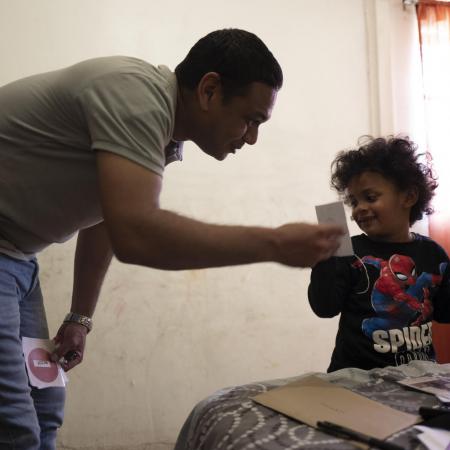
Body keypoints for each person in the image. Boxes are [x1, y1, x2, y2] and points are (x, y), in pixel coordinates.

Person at [0, 28, 343, 449]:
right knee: (15, 428)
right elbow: (136, 232)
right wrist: (274, 243)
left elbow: (108, 218)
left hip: (19, 256)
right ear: (209, 89)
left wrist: (79, 317)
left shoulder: (163, 133)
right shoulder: (134, 95)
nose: (251, 137)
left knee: (45, 411)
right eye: (251, 119)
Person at [308, 136, 450, 372]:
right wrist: (324, 260)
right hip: (356, 382)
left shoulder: (433, 253)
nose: (359, 208)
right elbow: (325, 308)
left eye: (370, 197)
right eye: (353, 201)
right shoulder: (347, 251)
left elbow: (445, 314)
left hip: (419, 379)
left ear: (409, 197)